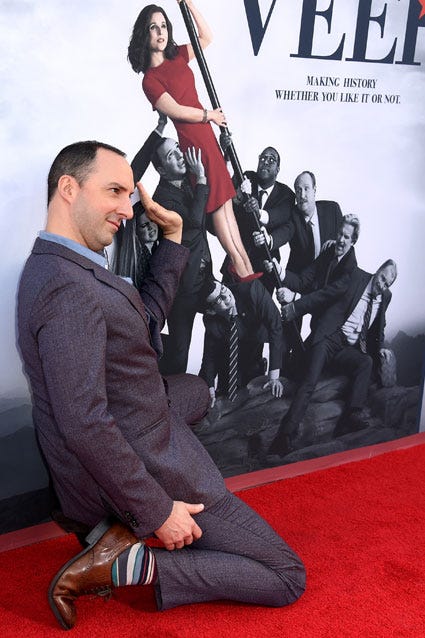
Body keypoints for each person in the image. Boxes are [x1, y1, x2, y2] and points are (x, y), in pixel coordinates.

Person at [17, 141, 305, 629]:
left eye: (129, 195)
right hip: (152, 462)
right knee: (286, 575)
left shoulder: (66, 263)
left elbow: (141, 322)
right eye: (114, 191)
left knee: (197, 391)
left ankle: (184, 414)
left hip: (143, 410)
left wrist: (174, 237)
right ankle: (127, 563)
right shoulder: (67, 288)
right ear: (68, 188)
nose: (128, 209)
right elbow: (84, 423)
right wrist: (157, 512)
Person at [128, 1, 255, 279]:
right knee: (219, 210)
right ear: (144, 35)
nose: (160, 32)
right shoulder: (149, 80)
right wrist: (209, 115)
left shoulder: (177, 57)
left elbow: (206, 37)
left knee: (227, 207)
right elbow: (176, 110)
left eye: (164, 25)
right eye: (153, 27)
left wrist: (187, 3)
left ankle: (246, 268)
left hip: (207, 136)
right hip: (194, 142)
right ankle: (241, 270)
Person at [268, 259, 397, 456]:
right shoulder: (355, 276)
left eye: (387, 284)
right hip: (329, 339)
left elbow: (380, 325)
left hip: (347, 348)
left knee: (366, 362)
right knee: (309, 382)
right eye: (382, 279)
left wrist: (380, 348)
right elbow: (324, 295)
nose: (382, 286)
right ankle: (283, 437)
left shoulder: (385, 297)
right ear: (377, 271)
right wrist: (295, 307)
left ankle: (351, 416)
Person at [151, 136, 214, 374]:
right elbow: (194, 222)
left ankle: (210, 382)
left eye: (177, 148)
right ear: (161, 171)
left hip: (204, 277)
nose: (179, 155)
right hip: (183, 285)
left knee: (223, 322)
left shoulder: (187, 182)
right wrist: (202, 178)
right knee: (179, 354)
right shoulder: (161, 198)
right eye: (171, 155)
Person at [200, 279, 284, 406]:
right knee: (226, 392)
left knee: (252, 388)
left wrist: (274, 377)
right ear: (212, 310)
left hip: (255, 337)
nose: (226, 296)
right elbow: (209, 356)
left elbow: (275, 325)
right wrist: (210, 390)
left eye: (222, 289)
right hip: (229, 347)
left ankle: (260, 366)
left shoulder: (253, 290)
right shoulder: (211, 320)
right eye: (218, 299)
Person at [223, 146, 295, 293]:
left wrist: (259, 212)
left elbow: (280, 215)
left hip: (265, 267)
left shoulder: (286, 194)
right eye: (263, 158)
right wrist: (228, 157)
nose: (265, 162)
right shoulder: (247, 177)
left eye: (271, 160)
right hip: (236, 260)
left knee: (259, 306)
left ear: (278, 169)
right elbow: (226, 187)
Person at [287, 171, 343, 275]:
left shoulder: (332, 210)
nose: (302, 195)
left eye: (306, 188)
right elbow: (281, 234)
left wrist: (338, 243)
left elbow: (349, 239)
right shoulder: (292, 215)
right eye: (298, 191)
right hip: (301, 277)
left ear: (314, 190)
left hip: (331, 275)